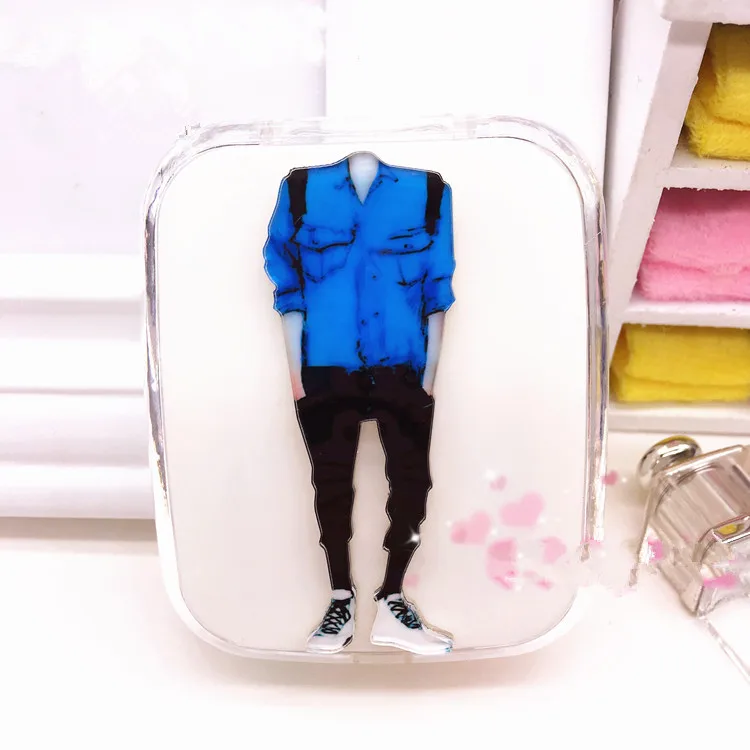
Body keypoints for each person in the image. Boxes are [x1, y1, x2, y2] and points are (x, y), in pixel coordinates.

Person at [263, 153, 456, 656]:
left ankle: (393, 597)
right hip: (325, 367)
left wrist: (429, 381)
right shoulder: (301, 191)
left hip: (403, 368)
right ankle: (339, 599)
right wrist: (296, 378)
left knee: (412, 483)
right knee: (330, 485)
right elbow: (288, 288)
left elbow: (438, 291)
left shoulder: (429, 193)